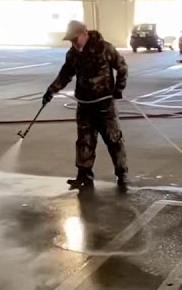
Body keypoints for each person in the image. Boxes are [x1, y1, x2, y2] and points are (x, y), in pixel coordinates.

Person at [43, 20, 129, 189]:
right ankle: (84, 176)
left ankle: (122, 175)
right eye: (71, 41)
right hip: (84, 105)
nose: (74, 43)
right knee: (84, 142)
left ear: (85, 34)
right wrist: (51, 90)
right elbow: (65, 74)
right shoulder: (73, 54)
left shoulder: (104, 48)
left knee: (113, 140)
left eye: (75, 39)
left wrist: (118, 90)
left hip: (104, 105)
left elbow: (122, 67)